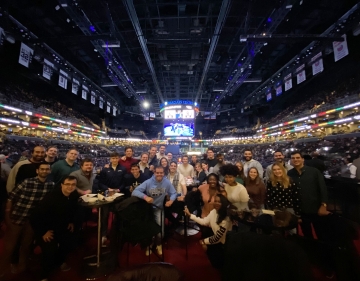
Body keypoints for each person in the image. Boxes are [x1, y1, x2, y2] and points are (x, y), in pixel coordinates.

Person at [0, 163, 54, 276]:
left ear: (49, 171)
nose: (44, 171)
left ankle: (22, 266)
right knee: (10, 246)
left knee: (26, 244)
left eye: (47, 169)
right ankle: (2, 270)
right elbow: (11, 197)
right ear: (37, 171)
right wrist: (7, 213)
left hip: (32, 220)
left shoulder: (50, 185)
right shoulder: (26, 182)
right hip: (18, 216)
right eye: (42, 169)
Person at [29, 176, 79, 280]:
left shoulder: (74, 195)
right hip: (46, 228)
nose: (70, 187)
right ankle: (43, 275)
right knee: (49, 250)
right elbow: (35, 216)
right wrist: (43, 232)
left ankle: (59, 262)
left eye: (73, 184)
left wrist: (71, 222)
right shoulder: (51, 198)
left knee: (70, 242)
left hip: (61, 226)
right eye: (67, 184)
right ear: (62, 185)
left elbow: (73, 210)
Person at [132, 166, 177, 256]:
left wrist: (171, 200)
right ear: (154, 173)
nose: (159, 174)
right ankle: (149, 244)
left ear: (164, 173)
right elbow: (135, 192)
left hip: (159, 209)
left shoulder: (167, 182)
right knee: (148, 229)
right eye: (157, 173)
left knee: (160, 231)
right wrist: (145, 197)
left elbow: (174, 193)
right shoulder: (148, 182)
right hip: (148, 209)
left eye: (161, 173)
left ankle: (159, 244)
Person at [184, 194, 235, 268]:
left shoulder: (226, 218)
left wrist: (204, 241)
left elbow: (218, 238)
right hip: (217, 240)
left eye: (219, 202)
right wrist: (190, 215)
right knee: (205, 231)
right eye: (215, 201)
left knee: (219, 266)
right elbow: (204, 222)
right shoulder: (214, 211)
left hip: (224, 243)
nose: (216, 203)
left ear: (223, 204)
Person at [287, 151, 329, 239]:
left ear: (303, 159)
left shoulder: (314, 171)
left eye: (298, 158)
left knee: (321, 233)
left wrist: (323, 204)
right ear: (290, 160)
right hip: (300, 210)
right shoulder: (289, 174)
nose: (295, 160)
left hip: (315, 208)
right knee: (306, 234)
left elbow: (322, 188)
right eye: (293, 158)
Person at [98, 152, 126, 244]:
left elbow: (124, 182)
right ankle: (104, 234)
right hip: (107, 195)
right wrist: (108, 189)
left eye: (116, 158)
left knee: (119, 215)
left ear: (118, 159)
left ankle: (117, 233)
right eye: (113, 158)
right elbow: (100, 182)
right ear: (110, 159)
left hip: (118, 195)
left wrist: (119, 189)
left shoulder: (123, 169)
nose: (114, 160)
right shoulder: (105, 170)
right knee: (105, 215)